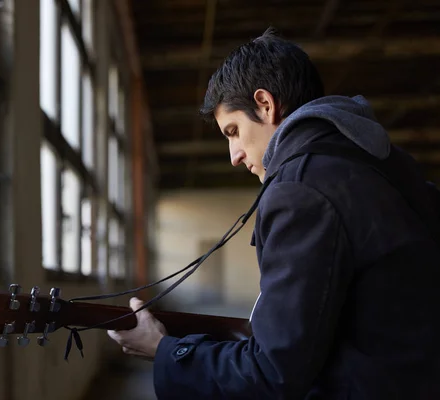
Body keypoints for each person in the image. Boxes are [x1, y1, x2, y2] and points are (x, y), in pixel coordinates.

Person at [107, 27, 440, 399]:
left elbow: (272, 374)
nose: (234, 156)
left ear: (265, 104)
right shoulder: (389, 166)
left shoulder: (301, 190)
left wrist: (163, 350)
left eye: (233, 131)